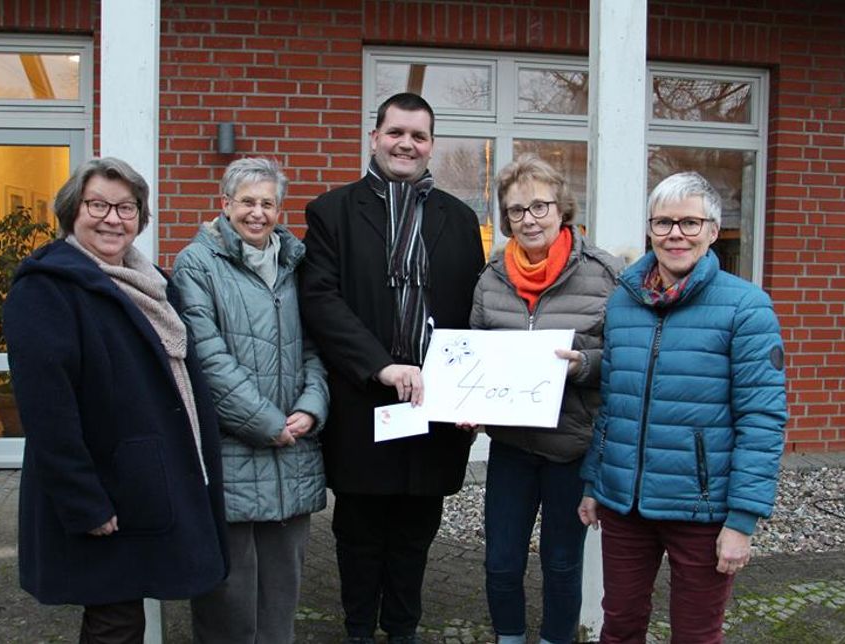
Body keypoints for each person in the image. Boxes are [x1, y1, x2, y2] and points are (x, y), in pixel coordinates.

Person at [3, 157, 229, 643]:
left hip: (144, 481)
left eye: (126, 208)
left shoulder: (150, 283)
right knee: (115, 621)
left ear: (141, 218)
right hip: (103, 487)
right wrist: (83, 501)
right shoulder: (46, 289)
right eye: (98, 205)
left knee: (127, 612)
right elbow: (47, 411)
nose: (112, 218)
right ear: (71, 212)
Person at [299, 92, 484, 644]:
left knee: (416, 531)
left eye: (419, 136)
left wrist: (475, 392)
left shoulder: (459, 217)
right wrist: (380, 366)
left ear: (431, 145)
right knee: (358, 532)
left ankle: (402, 627)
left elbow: (474, 313)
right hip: (363, 403)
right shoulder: (331, 211)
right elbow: (321, 301)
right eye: (396, 132)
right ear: (375, 137)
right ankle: (359, 628)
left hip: (435, 405)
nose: (407, 144)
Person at [578, 171, 788, 643]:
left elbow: (763, 419)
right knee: (619, 626)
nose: (676, 234)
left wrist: (742, 520)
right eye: (664, 222)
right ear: (650, 229)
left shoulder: (747, 308)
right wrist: (595, 480)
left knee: (696, 633)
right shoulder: (624, 303)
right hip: (625, 504)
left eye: (690, 223)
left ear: (713, 232)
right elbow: (614, 403)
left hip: (702, 507)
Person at [171, 157, 329, 644]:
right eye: (247, 202)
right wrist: (267, 423)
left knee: (281, 598)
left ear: (280, 210)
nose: (257, 213)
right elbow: (206, 359)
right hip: (234, 454)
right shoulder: (196, 264)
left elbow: (315, 346)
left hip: (294, 449)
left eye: (267, 203)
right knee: (229, 603)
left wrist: (311, 407)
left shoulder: (295, 263)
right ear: (225, 205)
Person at [470, 155, 623, 644]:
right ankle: (509, 637)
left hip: (571, 448)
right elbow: (476, 353)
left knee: (561, 564)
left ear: (562, 209)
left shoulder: (604, 275)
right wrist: (467, 402)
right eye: (516, 210)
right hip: (512, 446)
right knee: (501, 561)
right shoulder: (491, 277)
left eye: (539, 206)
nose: (529, 219)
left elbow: (624, 362)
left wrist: (584, 364)